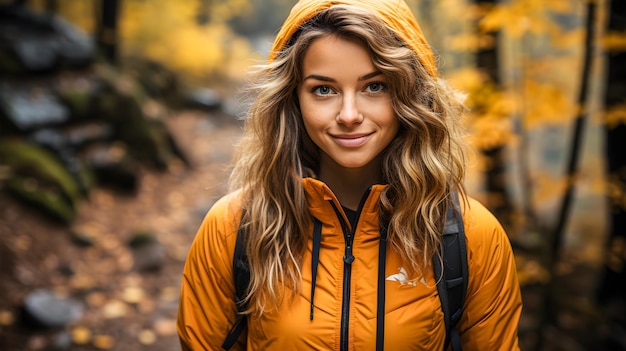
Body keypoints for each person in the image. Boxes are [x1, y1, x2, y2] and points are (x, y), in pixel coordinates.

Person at [176, 0, 523, 350]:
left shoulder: (471, 236)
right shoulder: (233, 228)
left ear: (410, 94)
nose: (349, 114)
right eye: (323, 89)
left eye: (375, 86)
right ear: (293, 100)